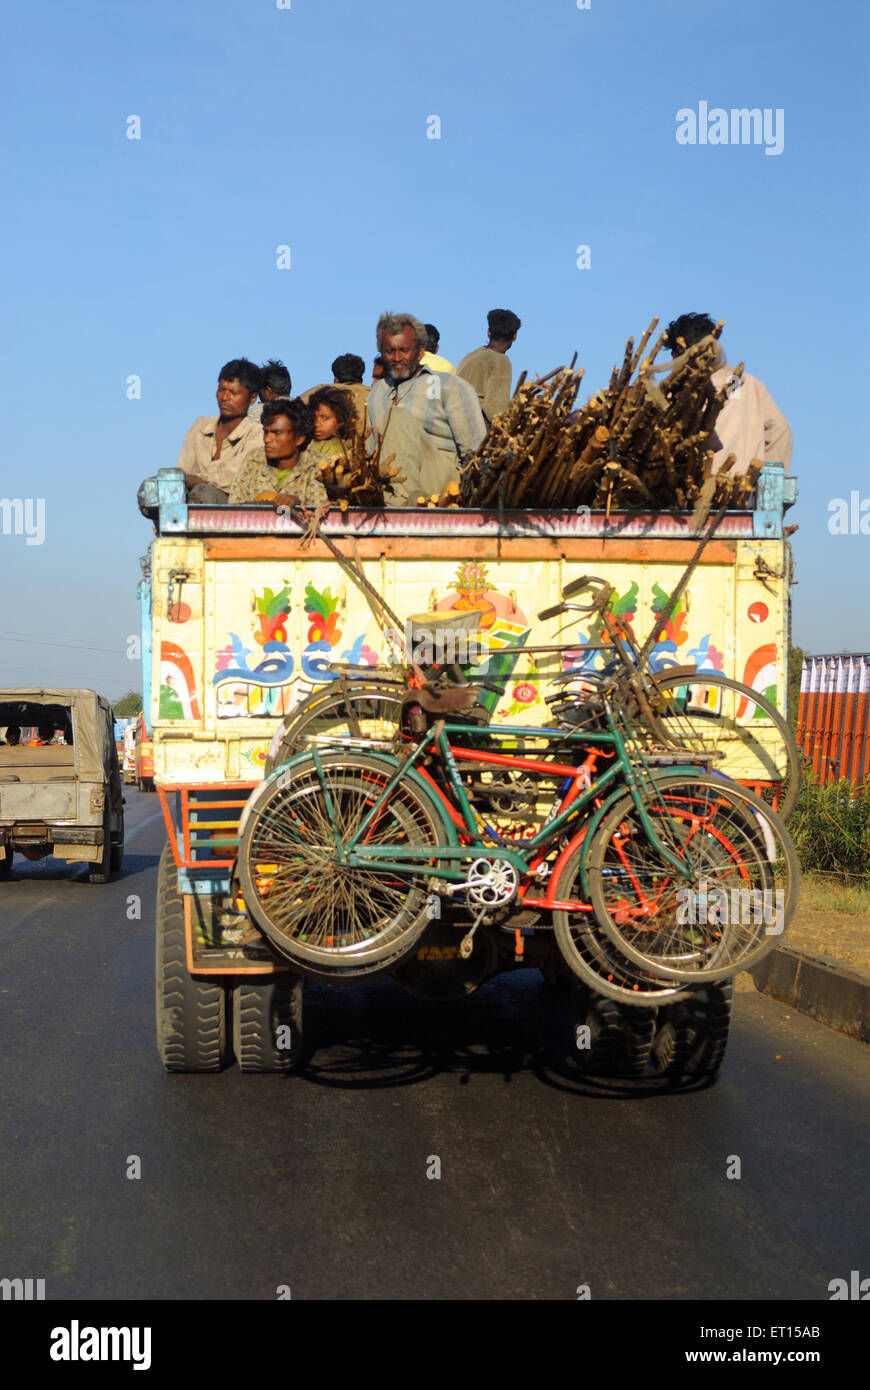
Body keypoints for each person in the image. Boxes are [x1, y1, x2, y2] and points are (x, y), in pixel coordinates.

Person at [367, 312, 486, 503]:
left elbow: (475, 452)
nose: (397, 358)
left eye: (404, 350)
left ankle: (403, 505)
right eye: (390, 351)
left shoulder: (450, 386)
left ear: (420, 352)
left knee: (395, 418)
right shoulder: (377, 392)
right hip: (385, 478)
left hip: (439, 479)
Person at [664, 313, 793, 477]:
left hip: (693, 492)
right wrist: (767, 480)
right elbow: (780, 430)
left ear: (679, 354)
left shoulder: (677, 396)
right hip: (742, 491)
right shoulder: (748, 384)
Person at [177, 359, 264, 501]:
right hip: (189, 501)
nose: (225, 398)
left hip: (232, 507)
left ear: (252, 398)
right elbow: (182, 471)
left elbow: (234, 479)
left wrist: (194, 480)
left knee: (203, 492)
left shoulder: (257, 434)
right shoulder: (200, 426)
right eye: (221, 390)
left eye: (233, 393)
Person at [228, 398, 328, 508]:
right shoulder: (254, 460)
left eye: (277, 433)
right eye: (266, 432)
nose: (267, 439)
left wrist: (298, 503)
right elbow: (234, 506)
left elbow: (320, 512)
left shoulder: (317, 466)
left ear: (299, 439)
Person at [457, 309, 521, 424]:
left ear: (488, 332)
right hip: (475, 430)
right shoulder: (501, 362)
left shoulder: (470, 357)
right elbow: (496, 409)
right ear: (514, 336)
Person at [308, 386, 361, 459]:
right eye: (314, 418)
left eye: (325, 418)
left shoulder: (334, 450)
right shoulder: (311, 442)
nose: (316, 424)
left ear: (340, 421)